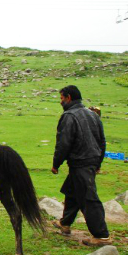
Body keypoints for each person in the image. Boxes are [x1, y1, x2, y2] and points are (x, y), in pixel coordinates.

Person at [51, 85, 110, 246]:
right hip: (91, 160)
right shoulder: (93, 115)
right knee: (72, 191)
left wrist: (56, 163)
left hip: (80, 162)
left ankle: (101, 235)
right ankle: (65, 223)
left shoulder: (69, 116)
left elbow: (63, 143)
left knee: (88, 198)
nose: (60, 102)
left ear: (68, 98)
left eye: (62, 98)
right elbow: (102, 141)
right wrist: (98, 162)